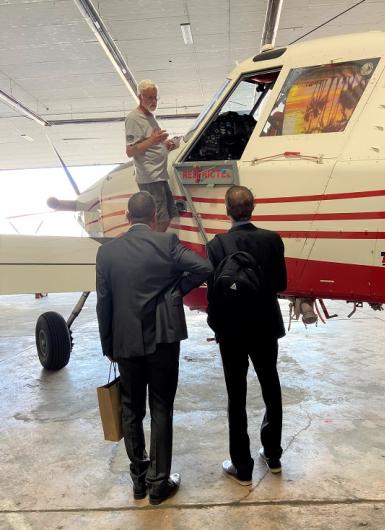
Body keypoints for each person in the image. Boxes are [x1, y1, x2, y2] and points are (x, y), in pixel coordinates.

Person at [96, 191, 212, 504]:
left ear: (126, 216)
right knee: (162, 407)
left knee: (131, 409)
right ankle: (159, 483)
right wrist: (176, 291)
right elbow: (204, 268)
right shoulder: (167, 242)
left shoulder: (107, 253)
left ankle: (138, 481)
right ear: (154, 218)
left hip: (125, 340)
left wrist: (108, 343)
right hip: (163, 338)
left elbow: (103, 303)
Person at [206, 185, 287, 485]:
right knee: (271, 387)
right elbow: (280, 283)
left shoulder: (216, 245)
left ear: (226, 210)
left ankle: (242, 468)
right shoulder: (272, 239)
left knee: (236, 395)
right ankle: (274, 455)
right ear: (254, 206)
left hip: (231, 331)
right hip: (265, 326)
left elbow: (212, 292)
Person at [125, 79, 178, 232]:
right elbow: (130, 151)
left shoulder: (149, 116)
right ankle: (155, 248)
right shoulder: (133, 118)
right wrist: (154, 140)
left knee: (170, 213)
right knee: (160, 218)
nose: (154, 101)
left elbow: (150, 142)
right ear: (140, 97)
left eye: (155, 97)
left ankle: (156, 244)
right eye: (150, 98)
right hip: (150, 177)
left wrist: (164, 144)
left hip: (159, 175)